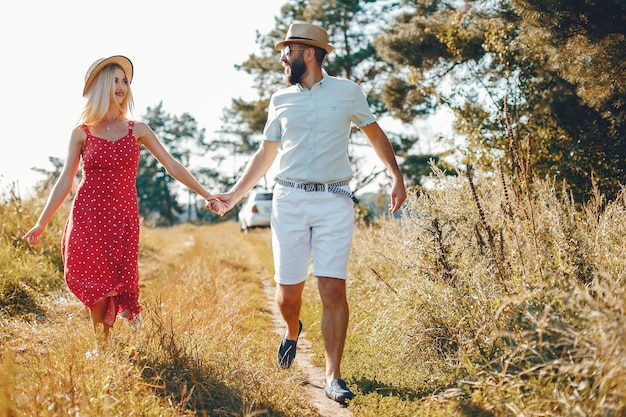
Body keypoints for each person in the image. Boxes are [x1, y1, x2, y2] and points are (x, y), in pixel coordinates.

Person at [206, 23, 406, 403]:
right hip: (290, 200)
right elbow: (266, 154)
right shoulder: (280, 99)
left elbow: (375, 135)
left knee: (332, 287)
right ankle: (292, 329)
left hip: (334, 199)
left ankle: (333, 376)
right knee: (288, 295)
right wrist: (233, 195)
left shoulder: (348, 92)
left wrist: (396, 176)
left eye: (288, 51)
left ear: (309, 53)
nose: (283, 57)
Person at [23, 55, 213, 353]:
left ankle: (115, 328)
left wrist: (206, 194)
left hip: (121, 217)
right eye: (115, 80)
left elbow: (172, 166)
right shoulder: (81, 133)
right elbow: (64, 180)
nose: (122, 86)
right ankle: (103, 348)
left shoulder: (137, 129)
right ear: (101, 86)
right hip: (87, 215)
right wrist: (42, 221)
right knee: (91, 277)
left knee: (115, 278)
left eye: (125, 80)